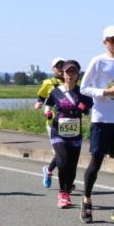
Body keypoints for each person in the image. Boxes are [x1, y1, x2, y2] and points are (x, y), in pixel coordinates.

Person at [81, 27, 114, 224]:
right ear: (105, 42)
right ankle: (86, 200)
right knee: (96, 163)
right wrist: (105, 92)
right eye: (113, 40)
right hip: (101, 120)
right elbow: (84, 88)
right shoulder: (98, 61)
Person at [43, 60, 92, 208]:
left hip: (75, 134)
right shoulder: (56, 91)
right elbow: (47, 105)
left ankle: (68, 190)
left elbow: (91, 111)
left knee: (72, 166)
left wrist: (84, 109)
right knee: (62, 161)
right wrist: (48, 113)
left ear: (78, 75)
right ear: (63, 74)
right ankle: (63, 193)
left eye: (73, 72)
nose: (70, 75)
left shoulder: (82, 92)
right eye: (67, 72)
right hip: (58, 131)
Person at [35, 58, 66, 188]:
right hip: (53, 121)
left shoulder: (72, 81)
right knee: (59, 153)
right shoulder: (48, 82)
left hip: (69, 122)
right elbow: (41, 95)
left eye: (62, 65)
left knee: (67, 153)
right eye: (57, 66)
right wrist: (39, 103)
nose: (60, 68)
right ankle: (66, 183)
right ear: (52, 69)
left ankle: (49, 170)